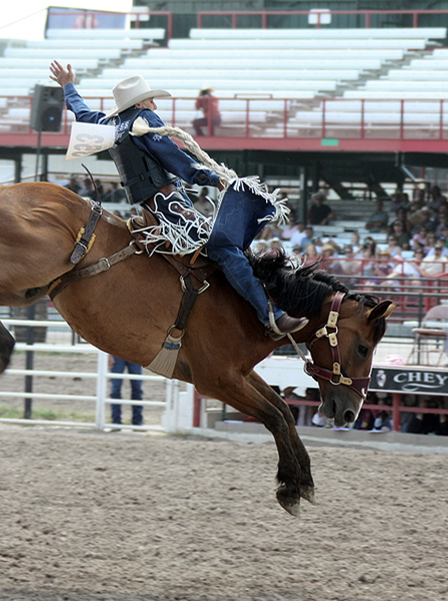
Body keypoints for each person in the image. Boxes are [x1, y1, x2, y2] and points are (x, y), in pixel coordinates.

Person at [49, 62, 307, 336]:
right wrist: (212, 178)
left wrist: (68, 86)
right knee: (225, 249)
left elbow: (83, 113)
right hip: (171, 210)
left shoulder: (111, 126)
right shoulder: (144, 121)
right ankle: (270, 316)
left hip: (149, 207)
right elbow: (173, 157)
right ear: (139, 105)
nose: (155, 107)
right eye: (150, 101)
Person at [109, 355, 143, 427]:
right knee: (116, 388)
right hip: (117, 352)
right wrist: (109, 354)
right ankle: (116, 421)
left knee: (137, 387)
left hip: (135, 352)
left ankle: (137, 421)